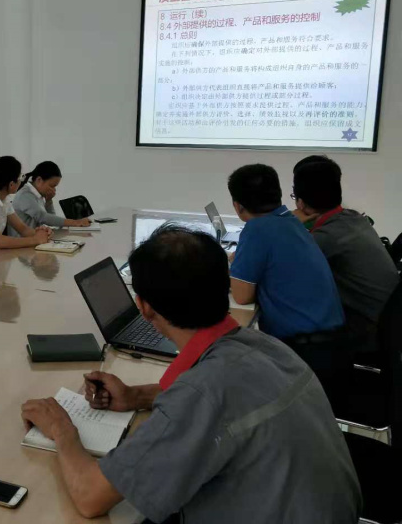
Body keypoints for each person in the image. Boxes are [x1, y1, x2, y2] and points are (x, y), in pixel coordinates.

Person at [21, 225, 360, 522]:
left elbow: (90, 497)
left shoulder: (201, 394)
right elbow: (225, 402)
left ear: (144, 307)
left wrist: (62, 428)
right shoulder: (266, 346)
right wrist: (137, 396)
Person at [227, 164, 344, 340]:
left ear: (238, 206)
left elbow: (242, 296)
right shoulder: (291, 220)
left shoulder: (256, 229)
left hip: (305, 345)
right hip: (331, 335)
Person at [292, 155, 398, 332]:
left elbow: (282, 270)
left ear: (301, 203)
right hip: (388, 318)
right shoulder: (353, 218)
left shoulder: (326, 236)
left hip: (370, 327)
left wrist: (290, 225)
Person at [12, 161, 91, 230]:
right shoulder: (25, 195)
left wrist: (49, 201)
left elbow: (52, 220)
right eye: (52, 186)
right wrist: (76, 222)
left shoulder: (38, 194)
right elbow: (43, 217)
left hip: (34, 238)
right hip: (23, 240)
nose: (54, 190)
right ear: (39, 180)